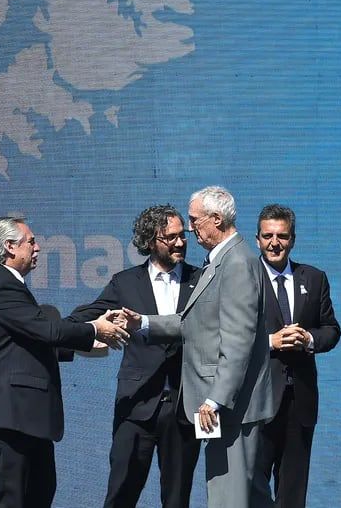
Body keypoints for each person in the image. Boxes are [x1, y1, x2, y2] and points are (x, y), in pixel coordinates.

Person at [121, 186, 277, 508]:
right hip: (228, 407)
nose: (190, 230)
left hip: (231, 408)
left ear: (216, 219)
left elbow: (238, 340)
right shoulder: (221, 260)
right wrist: (144, 323)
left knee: (228, 499)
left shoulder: (236, 263)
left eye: (194, 220)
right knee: (251, 497)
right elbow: (194, 322)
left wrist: (215, 399)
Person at [0, 216, 129, 508]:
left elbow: (29, 339)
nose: (38, 247)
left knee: (39, 493)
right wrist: (94, 329)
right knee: (13, 499)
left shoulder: (7, 285)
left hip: (24, 415)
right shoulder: (0, 283)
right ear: (9, 247)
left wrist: (88, 334)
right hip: (11, 413)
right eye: (31, 242)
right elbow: (47, 330)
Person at [68, 204, 202, 508]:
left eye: (183, 235)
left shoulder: (201, 280)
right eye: (171, 237)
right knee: (121, 494)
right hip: (136, 405)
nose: (180, 243)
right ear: (150, 241)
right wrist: (91, 332)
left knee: (177, 499)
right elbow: (82, 318)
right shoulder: (125, 282)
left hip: (183, 406)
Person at [255, 204, 341, 507]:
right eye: (267, 236)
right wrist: (271, 342)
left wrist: (308, 339)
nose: (274, 243)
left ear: (292, 239)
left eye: (282, 236)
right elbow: (228, 336)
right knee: (252, 487)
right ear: (257, 239)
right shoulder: (244, 278)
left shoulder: (314, 278)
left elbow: (331, 330)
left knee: (293, 491)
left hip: (300, 400)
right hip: (257, 399)